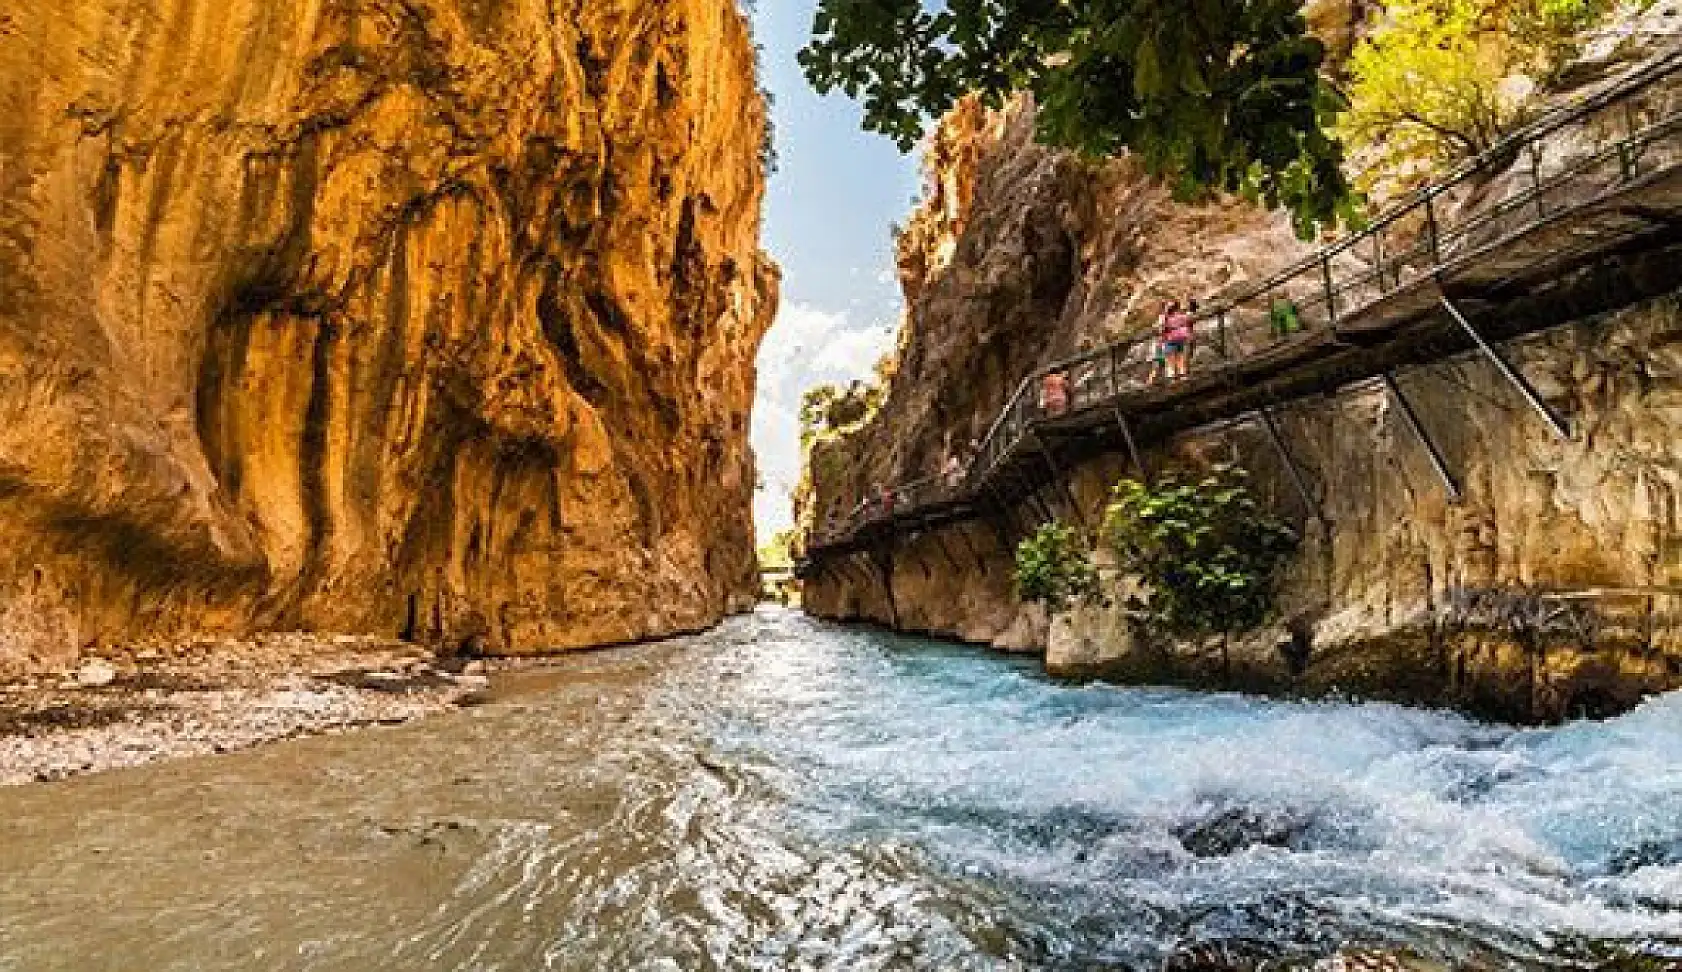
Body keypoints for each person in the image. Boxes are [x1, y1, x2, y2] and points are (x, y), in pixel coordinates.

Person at [1161, 299, 1195, 382]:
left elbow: (1161, 328)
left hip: (1170, 339)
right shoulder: (1182, 316)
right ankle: (1182, 376)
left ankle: (1173, 377)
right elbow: (1189, 318)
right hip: (1181, 337)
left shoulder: (1165, 317)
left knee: (1171, 359)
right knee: (1180, 357)